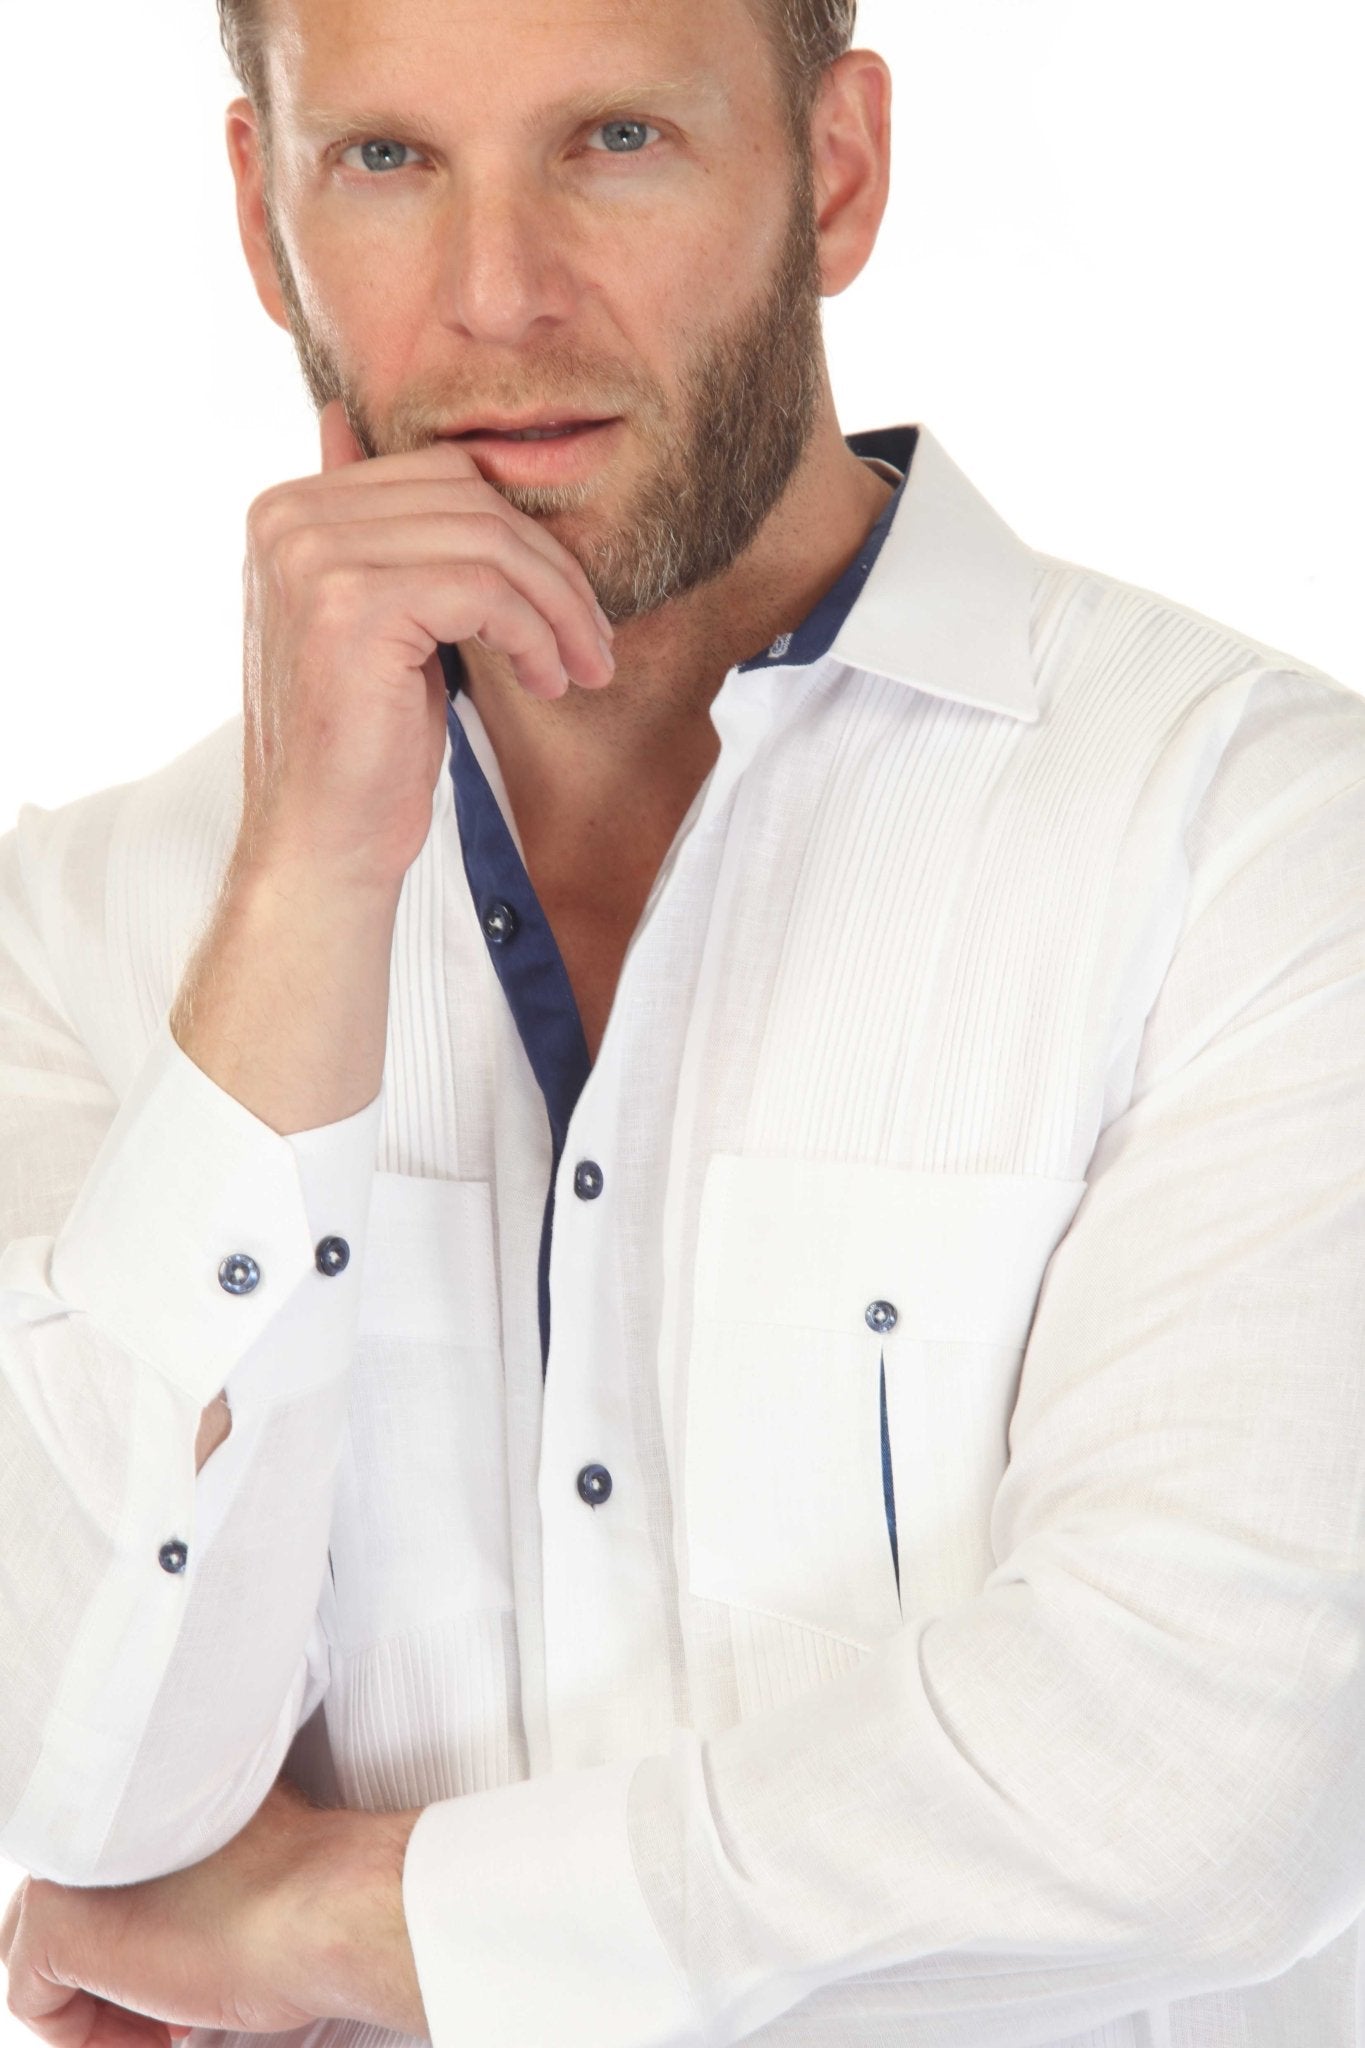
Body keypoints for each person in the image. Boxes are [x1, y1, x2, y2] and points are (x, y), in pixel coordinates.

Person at [2, 0, 1364, 2044]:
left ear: (832, 172)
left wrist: (349, 1923)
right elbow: (75, 1783)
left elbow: (1213, 1773)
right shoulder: (84, 924)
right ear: (261, 218)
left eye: (614, 138)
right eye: (385, 160)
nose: (495, 298)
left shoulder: (1248, 835)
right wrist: (309, 887)